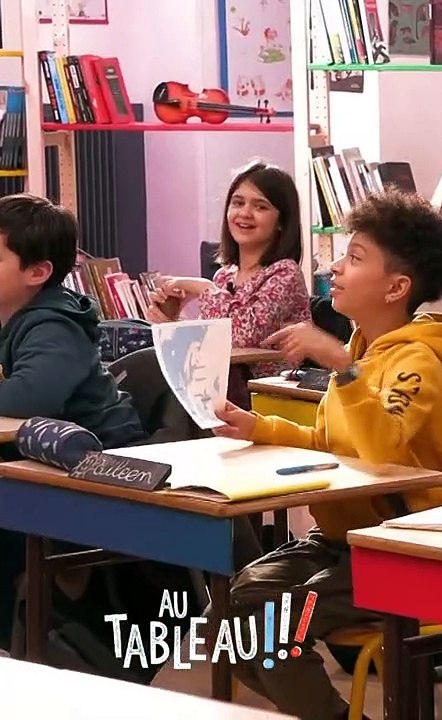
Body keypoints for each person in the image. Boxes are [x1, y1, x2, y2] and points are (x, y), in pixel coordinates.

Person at [206, 189, 442, 720]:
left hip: (398, 548)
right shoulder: (361, 349)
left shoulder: (415, 361)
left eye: (354, 259)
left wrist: (344, 373)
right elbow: (332, 445)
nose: (335, 268)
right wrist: (260, 426)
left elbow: (383, 454)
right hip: (338, 538)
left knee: (270, 633)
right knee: (222, 618)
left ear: (396, 287)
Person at [0, 193, 149, 650]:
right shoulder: (13, 316)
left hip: (103, 469)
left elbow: (28, 397)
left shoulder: (53, 324)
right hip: (41, 464)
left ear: (37, 272)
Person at [145, 161, 311, 379]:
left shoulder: (285, 274)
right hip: (221, 387)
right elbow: (208, 344)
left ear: (281, 221)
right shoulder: (224, 276)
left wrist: (204, 288)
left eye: (260, 206)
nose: (245, 213)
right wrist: (172, 320)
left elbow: (243, 336)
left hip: (266, 396)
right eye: (238, 203)